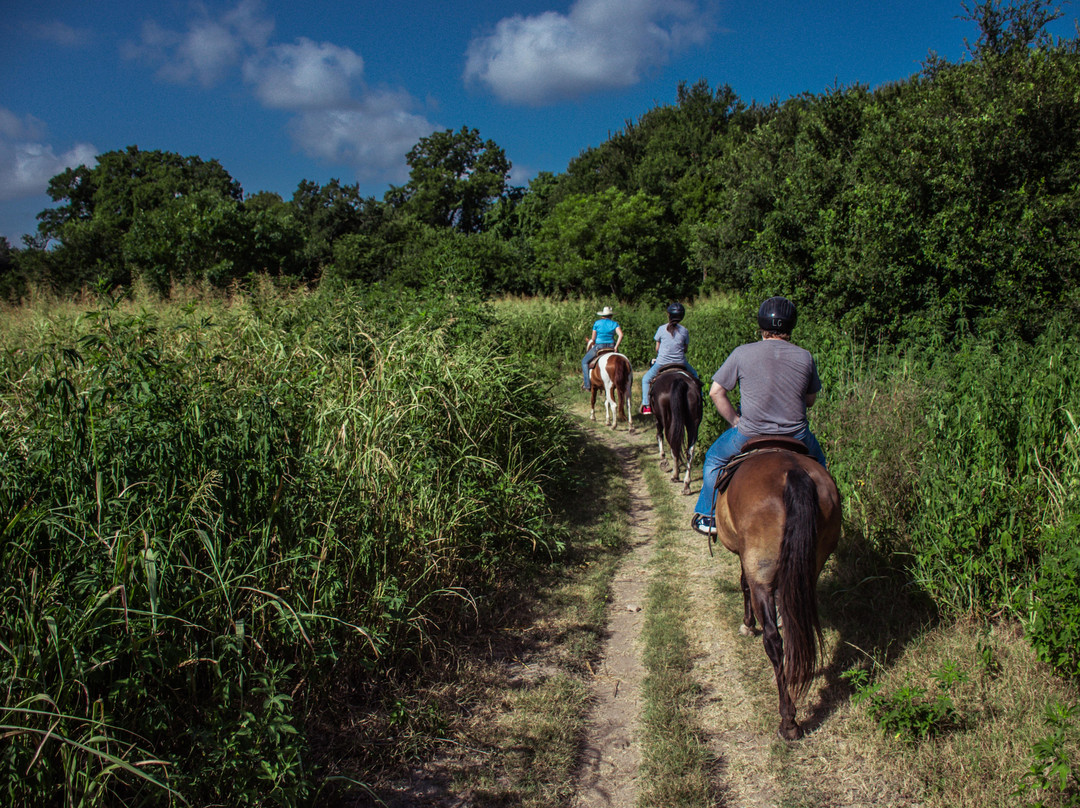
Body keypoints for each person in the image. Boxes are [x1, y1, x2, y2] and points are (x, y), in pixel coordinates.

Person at [691, 296, 828, 536]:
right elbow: (810, 400)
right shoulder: (805, 356)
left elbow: (716, 392)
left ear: (761, 325)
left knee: (713, 458)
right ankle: (827, 518)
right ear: (791, 326)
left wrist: (735, 421)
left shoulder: (742, 353)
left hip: (749, 432)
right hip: (797, 434)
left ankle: (709, 516)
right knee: (822, 467)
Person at [640, 301, 699, 414]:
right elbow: (685, 349)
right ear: (682, 316)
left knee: (646, 379)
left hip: (662, 363)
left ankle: (646, 405)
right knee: (695, 376)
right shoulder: (685, 331)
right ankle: (699, 402)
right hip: (681, 363)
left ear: (669, 315)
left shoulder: (661, 329)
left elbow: (657, 349)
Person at [581, 306, 624, 390]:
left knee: (584, 362)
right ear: (610, 315)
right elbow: (621, 335)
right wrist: (616, 346)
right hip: (611, 346)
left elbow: (593, 339)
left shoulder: (597, 323)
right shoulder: (614, 323)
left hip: (599, 347)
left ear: (602, 315)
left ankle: (587, 385)